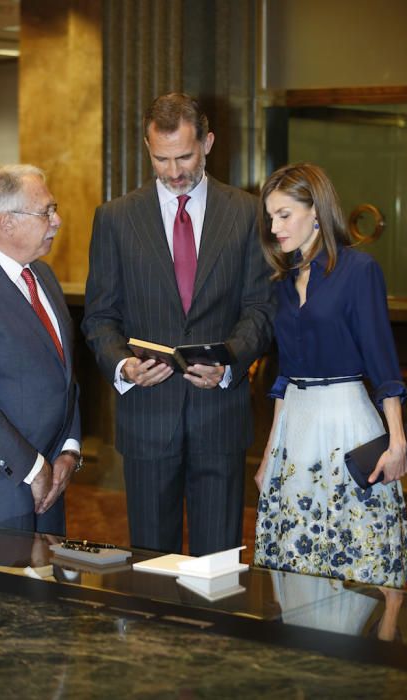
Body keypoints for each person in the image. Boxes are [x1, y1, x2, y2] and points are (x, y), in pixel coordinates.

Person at [82, 93, 275, 556]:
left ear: (207, 142)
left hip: (219, 416)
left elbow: (262, 309)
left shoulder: (247, 213)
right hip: (147, 415)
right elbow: (99, 317)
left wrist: (229, 363)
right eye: (161, 158)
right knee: (150, 563)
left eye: (184, 156)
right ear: (147, 148)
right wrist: (123, 366)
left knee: (219, 563)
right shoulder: (115, 219)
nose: (173, 171)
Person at [254, 162, 407, 587]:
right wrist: (270, 453)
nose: (274, 227)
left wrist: (397, 442)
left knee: (355, 552)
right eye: (271, 217)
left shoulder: (359, 271)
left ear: (317, 211)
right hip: (296, 428)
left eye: (284, 215)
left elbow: (383, 365)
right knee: (296, 551)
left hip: (346, 421)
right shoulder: (281, 283)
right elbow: (284, 375)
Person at [0, 164, 81, 534]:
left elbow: (64, 378)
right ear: (6, 222)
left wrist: (69, 451)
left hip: (52, 488)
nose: (56, 221)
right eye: (46, 212)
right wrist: (32, 468)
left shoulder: (44, 276)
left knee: (49, 592)